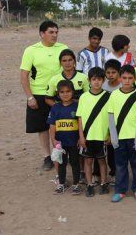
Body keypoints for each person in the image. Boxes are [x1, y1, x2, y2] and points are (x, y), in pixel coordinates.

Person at [20, 20, 68, 171]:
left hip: (59, 94)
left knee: (61, 125)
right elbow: (23, 75)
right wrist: (30, 97)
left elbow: (69, 69)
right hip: (39, 94)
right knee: (42, 127)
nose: (54, 35)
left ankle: (62, 153)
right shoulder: (31, 50)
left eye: (56, 32)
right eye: (51, 32)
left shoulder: (63, 48)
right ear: (42, 34)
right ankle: (47, 157)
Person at [107, 65, 136, 202]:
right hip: (119, 138)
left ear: (134, 79)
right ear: (119, 79)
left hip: (134, 139)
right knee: (120, 166)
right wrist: (113, 137)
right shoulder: (114, 95)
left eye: (130, 78)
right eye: (124, 78)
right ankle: (120, 190)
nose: (127, 81)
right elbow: (110, 117)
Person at [77, 67, 111, 197]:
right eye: (94, 79)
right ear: (89, 80)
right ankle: (90, 184)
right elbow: (80, 117)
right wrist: (81, 136)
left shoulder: (108, 97)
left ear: (103, 80)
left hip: (102, 136)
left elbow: (111, 117)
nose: (96, 82)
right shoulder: (84, 97)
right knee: (88, 161)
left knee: (102, 161)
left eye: (99, 79)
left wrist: (109, 134)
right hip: (87, 136)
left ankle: (103, 183)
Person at [47, 80, 81, 194]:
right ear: (58, 93)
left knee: (75, 163)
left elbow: (81, 124)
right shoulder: (55, 108)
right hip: (61, 143)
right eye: (62, 92)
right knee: (61, 163)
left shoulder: (77, 106)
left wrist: (80, 138)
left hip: (74, 142)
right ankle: (61, 183)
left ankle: (76, 184)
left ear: (73, 92)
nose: (65, 94)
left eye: (68, 91)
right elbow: (52, 126)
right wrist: (53, 140)